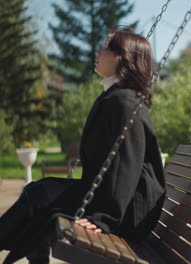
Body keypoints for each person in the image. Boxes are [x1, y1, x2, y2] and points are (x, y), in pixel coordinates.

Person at [0, 27, 166, 264]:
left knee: (38, 195)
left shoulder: (125, 101)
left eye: (107, 48)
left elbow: (125, 167)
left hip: (126, 212)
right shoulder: (115, 95)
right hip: (112, 199)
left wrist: (105, 218)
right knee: (38, 194)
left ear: (124, 57)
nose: (98, 51)